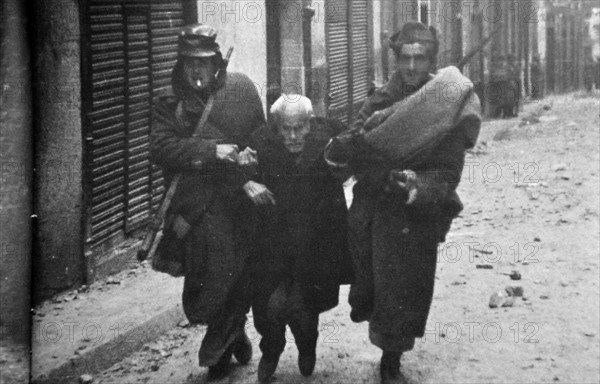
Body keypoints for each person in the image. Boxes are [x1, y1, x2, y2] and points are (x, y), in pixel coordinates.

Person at [325, 21, 481, 384]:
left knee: (404, 286)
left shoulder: (446, 105)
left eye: (420, 58)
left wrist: (417, 185)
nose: (412, 67)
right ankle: (382, 335)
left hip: (413, 213)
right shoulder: (379, 100)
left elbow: (448, 171)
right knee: (372, 284)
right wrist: (362, 155)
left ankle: (391, 358)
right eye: (405, 58)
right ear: (395, 60)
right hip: (375, 207)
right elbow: (356, 150)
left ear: (431, 61)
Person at [149, 23, 270, 380]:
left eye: (203, 62)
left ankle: (218, 346)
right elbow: (161, 148)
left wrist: (248, 164)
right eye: (189, 63)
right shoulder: (168, 103)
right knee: (207, 277)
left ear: (217, 62)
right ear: (180, 65)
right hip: (194, 207)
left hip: (238, 200)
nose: (197, 70)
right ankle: (232, 330)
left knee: (238, 267)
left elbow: (259, 141)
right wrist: (210, 150)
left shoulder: (242, 90)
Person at [248, 95, 353, 383]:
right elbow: (234, 169)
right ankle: (272, 349)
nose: (292, 136)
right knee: (268, 306)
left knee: (305, 307)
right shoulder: (260, 142)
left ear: (310, 124)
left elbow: (358, 150)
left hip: (314, 242)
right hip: (274, 240)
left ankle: (307, 345)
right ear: (276, 126)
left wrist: (343, 169)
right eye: (285, 129)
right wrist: (247, 182)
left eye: (299, 128)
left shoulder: (329, 135)